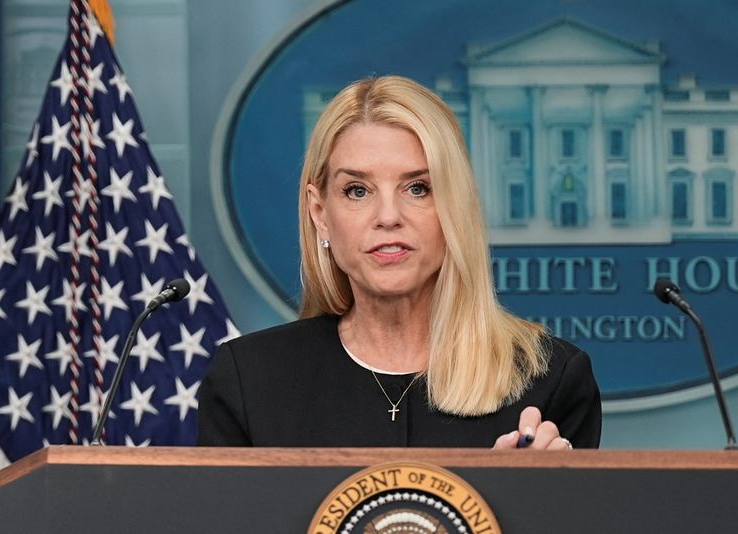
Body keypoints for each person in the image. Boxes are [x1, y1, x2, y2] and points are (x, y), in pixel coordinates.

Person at [197, 75, 601, 449]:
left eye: (418, 188)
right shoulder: (247, 381)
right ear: (320, 214)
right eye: (357, 191)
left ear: (454, 208)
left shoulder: (550, 381)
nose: (388, 216)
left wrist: (533, 498)